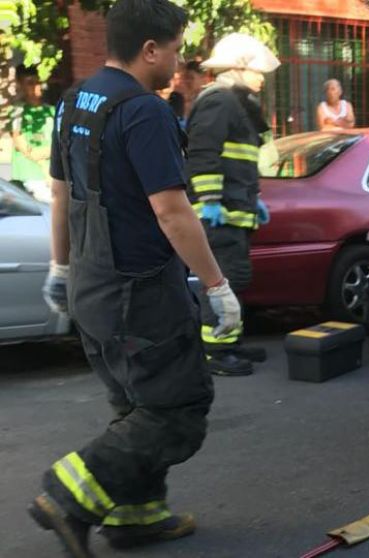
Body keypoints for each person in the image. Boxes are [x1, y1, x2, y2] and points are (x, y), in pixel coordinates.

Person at [30, 0, 241, 554]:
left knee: (135, 406)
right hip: (139, 294)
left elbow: (61, 193)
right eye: (175, 50)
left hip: (92, 286)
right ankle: (67, 496)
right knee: (177, 409)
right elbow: (171, 211)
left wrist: (60, 267)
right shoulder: (145, 112)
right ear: (150, 49)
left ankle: (136, 516)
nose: (178, 62)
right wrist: (217, 286)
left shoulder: (75, 100)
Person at [185, 32, 280, 377]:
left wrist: (255, 200)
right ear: (238, 67)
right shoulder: (219, 102)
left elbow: (240, 163)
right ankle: (217, 351)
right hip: (219, 215)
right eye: (256, 71)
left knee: (235, 279)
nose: (262, 78)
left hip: (235, 211)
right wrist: (210, 201)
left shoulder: (237, 104)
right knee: (221, 281)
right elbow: (202, 154)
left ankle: (231, 340)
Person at [9, 64, 56, 201]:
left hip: (52, 179)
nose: (36, 86)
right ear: (20, 85)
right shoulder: (17, 112)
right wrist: (45, 168)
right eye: (30, 83)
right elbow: (21, 144)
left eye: (38, 82)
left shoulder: (51, 111)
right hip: (28, 179)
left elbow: (61, 144)